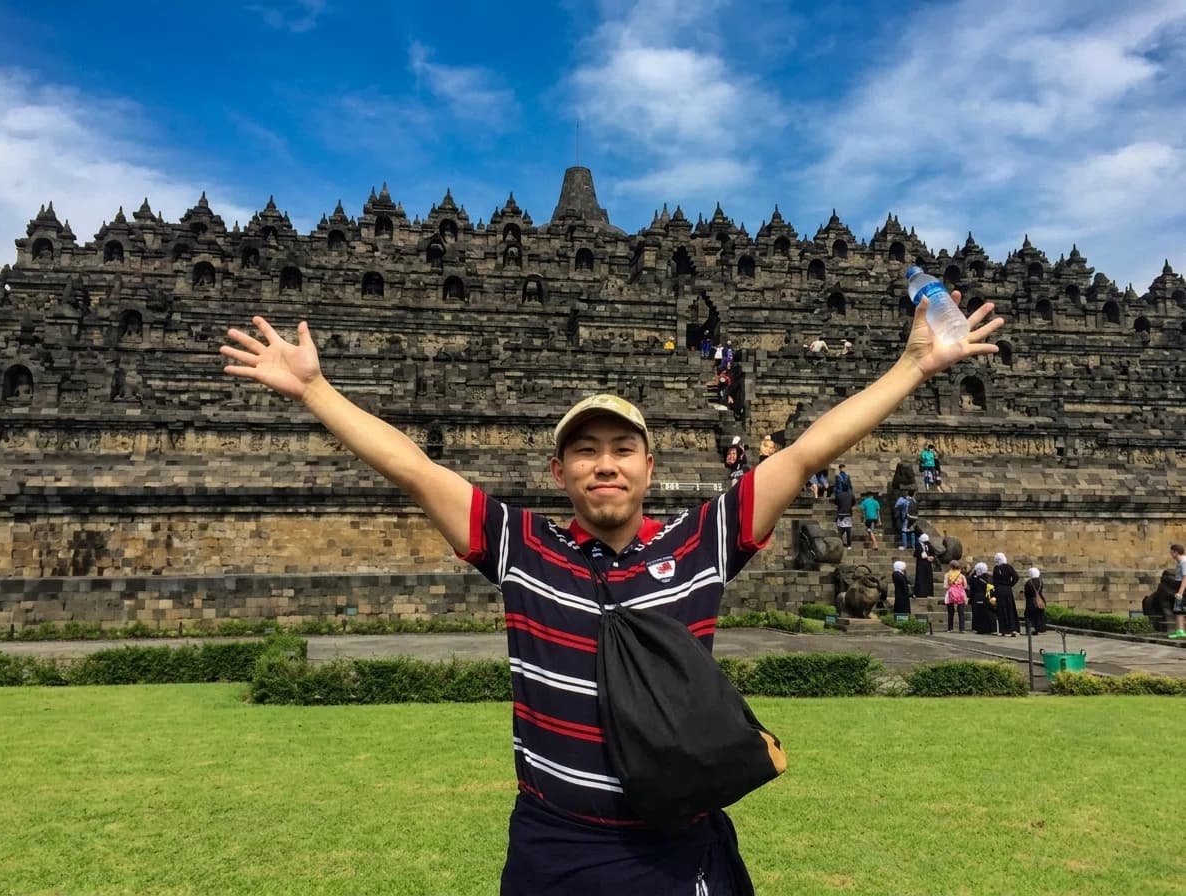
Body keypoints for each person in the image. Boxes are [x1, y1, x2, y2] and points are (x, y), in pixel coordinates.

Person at [219, 293, 1001, 894]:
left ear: (648, 467)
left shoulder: (700, 544)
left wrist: (913, 368)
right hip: (553, 843)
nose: (604, 465)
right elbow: (414, 468)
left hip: (674, 843)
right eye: (584, 452)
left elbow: (803, 455)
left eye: (622, 449)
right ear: (558, 474)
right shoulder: (520, 547)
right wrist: (314, 390)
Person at [992, 552, 1021, 637]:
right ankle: (1013, 628)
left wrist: (997, 588)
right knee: (1010, 608)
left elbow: (994, 580)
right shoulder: (1009, 567)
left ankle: (1003, 630)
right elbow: (1016, 577)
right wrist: (1010, 584)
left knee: (1001, 609)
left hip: (999, 590)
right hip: (1007, 590)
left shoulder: (996, 568)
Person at [968, 561, 996, 635]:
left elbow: (970, 582)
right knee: (987, 613)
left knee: (978, 614)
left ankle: (980, 628)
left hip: (977, 597)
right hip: (987, 597)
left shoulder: (975, 579)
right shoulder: (989, 577)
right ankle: (991, 628)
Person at [943, 560, 968, 632]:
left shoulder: (947, 575)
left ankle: (950, 628)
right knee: (961, 611)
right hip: (961, 594)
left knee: (950, 611)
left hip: (951, 593)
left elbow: (945, 586)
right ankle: (962, 628)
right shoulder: (961, 575)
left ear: (950, 566)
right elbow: (965, 586)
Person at [1023, 567, 1047, 634]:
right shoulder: (1040, 581)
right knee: (1039, 615)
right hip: (1040, 601)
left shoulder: (1029, 582)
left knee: (1028, 616)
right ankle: (1039, 629)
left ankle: (1029, 630)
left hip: (1031, 601)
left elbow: (1027, 593)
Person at [1169, 544, 1186, 639]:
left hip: (1182, 587)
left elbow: (1185, 578)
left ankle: (1180, 631)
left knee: (1179, 607)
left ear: (1176, 552)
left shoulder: (1184, 562)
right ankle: (1180, 630)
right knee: (1178, 609)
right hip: (1179, 585)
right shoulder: (1180, 562)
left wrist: (1180, 592)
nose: (1171, 555)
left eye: (1171, 552)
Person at [913, 532, 936, 599]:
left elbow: (933, 552)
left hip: (928, 564)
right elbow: (919, 553)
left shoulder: (928, 545)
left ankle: (928, 592)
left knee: (928, 577)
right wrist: (927, 557)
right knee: (921, 577)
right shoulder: (918, 544)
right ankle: (920, 593)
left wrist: (932, 557)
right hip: (921, 564)